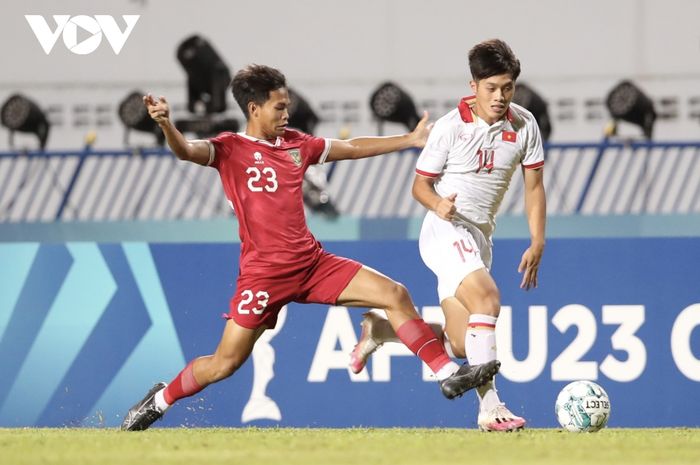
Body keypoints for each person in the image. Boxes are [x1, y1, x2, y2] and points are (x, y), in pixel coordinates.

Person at [120, 64, 500, 431]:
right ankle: (158, 401)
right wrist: (167, 123)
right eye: (279, 107)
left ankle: (448, 374)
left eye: (287, 106)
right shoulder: (229, 149)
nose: (287, 113)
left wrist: (410, 140)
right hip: (264, 275)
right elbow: (185, 151)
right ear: (254, 109)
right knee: (224, 363)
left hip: (312, 263)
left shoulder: (296, 144)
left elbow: (350, 147)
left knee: (394, 294)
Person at [349, 39, 546, 432]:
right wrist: (437, 204)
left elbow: (535, 187)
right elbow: (420, 187)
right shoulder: (449, 128)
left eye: (507, 87)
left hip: (478, 239)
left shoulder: (524, 124)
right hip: (445, 229)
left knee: (461, 343)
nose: (500, 97)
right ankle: (491, 409)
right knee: (487, 299)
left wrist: (537, 240)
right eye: (492, 88)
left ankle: (383, 329)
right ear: (473, 85)